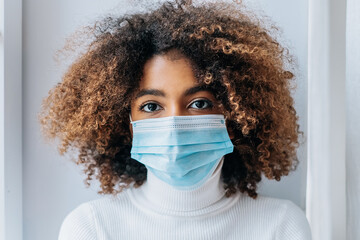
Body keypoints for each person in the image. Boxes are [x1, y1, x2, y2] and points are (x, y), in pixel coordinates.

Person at [39, 0, 312, 239]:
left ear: (236, 114)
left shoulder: (281, 227)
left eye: (199, 103)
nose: (175, 125)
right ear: (125, 121)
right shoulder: (92, 228)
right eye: (151, 106)